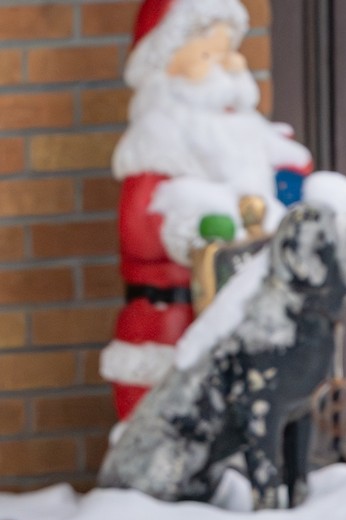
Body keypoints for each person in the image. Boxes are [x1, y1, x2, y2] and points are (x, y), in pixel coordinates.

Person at [101, 0, 312, 418]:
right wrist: (194, 225)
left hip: (243, 307)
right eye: (207, 54)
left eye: (230, 50)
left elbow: (290, 180)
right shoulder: (159, 139)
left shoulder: (246, 134)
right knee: (169, 409)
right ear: (163, 68)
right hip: (171, 313)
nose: (229, 65)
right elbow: (139, 230)